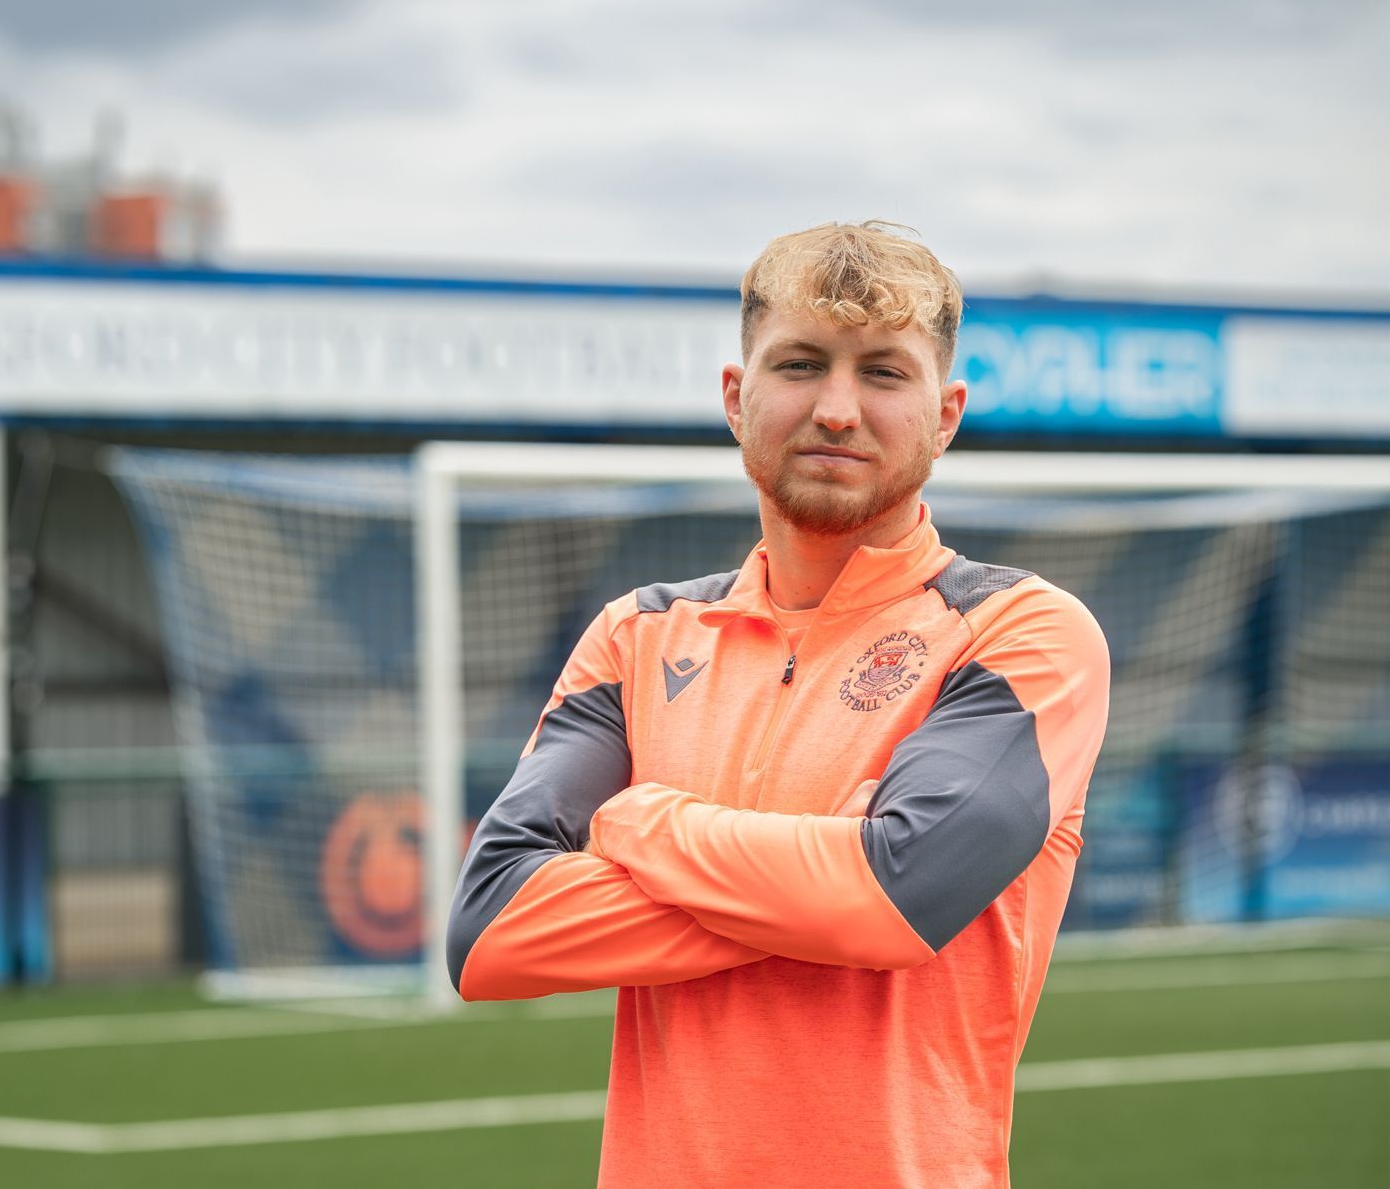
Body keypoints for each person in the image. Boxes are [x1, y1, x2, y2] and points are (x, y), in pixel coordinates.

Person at [446, 221, 1111, 1188]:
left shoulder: (1023, 632)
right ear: (735, 396)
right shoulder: (637, 638)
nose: (837, 409)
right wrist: (820, 877)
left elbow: (891, 899)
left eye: (884, 374)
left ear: (947, 413)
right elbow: (490, 930)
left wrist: (642, 822)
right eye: (800, 364)